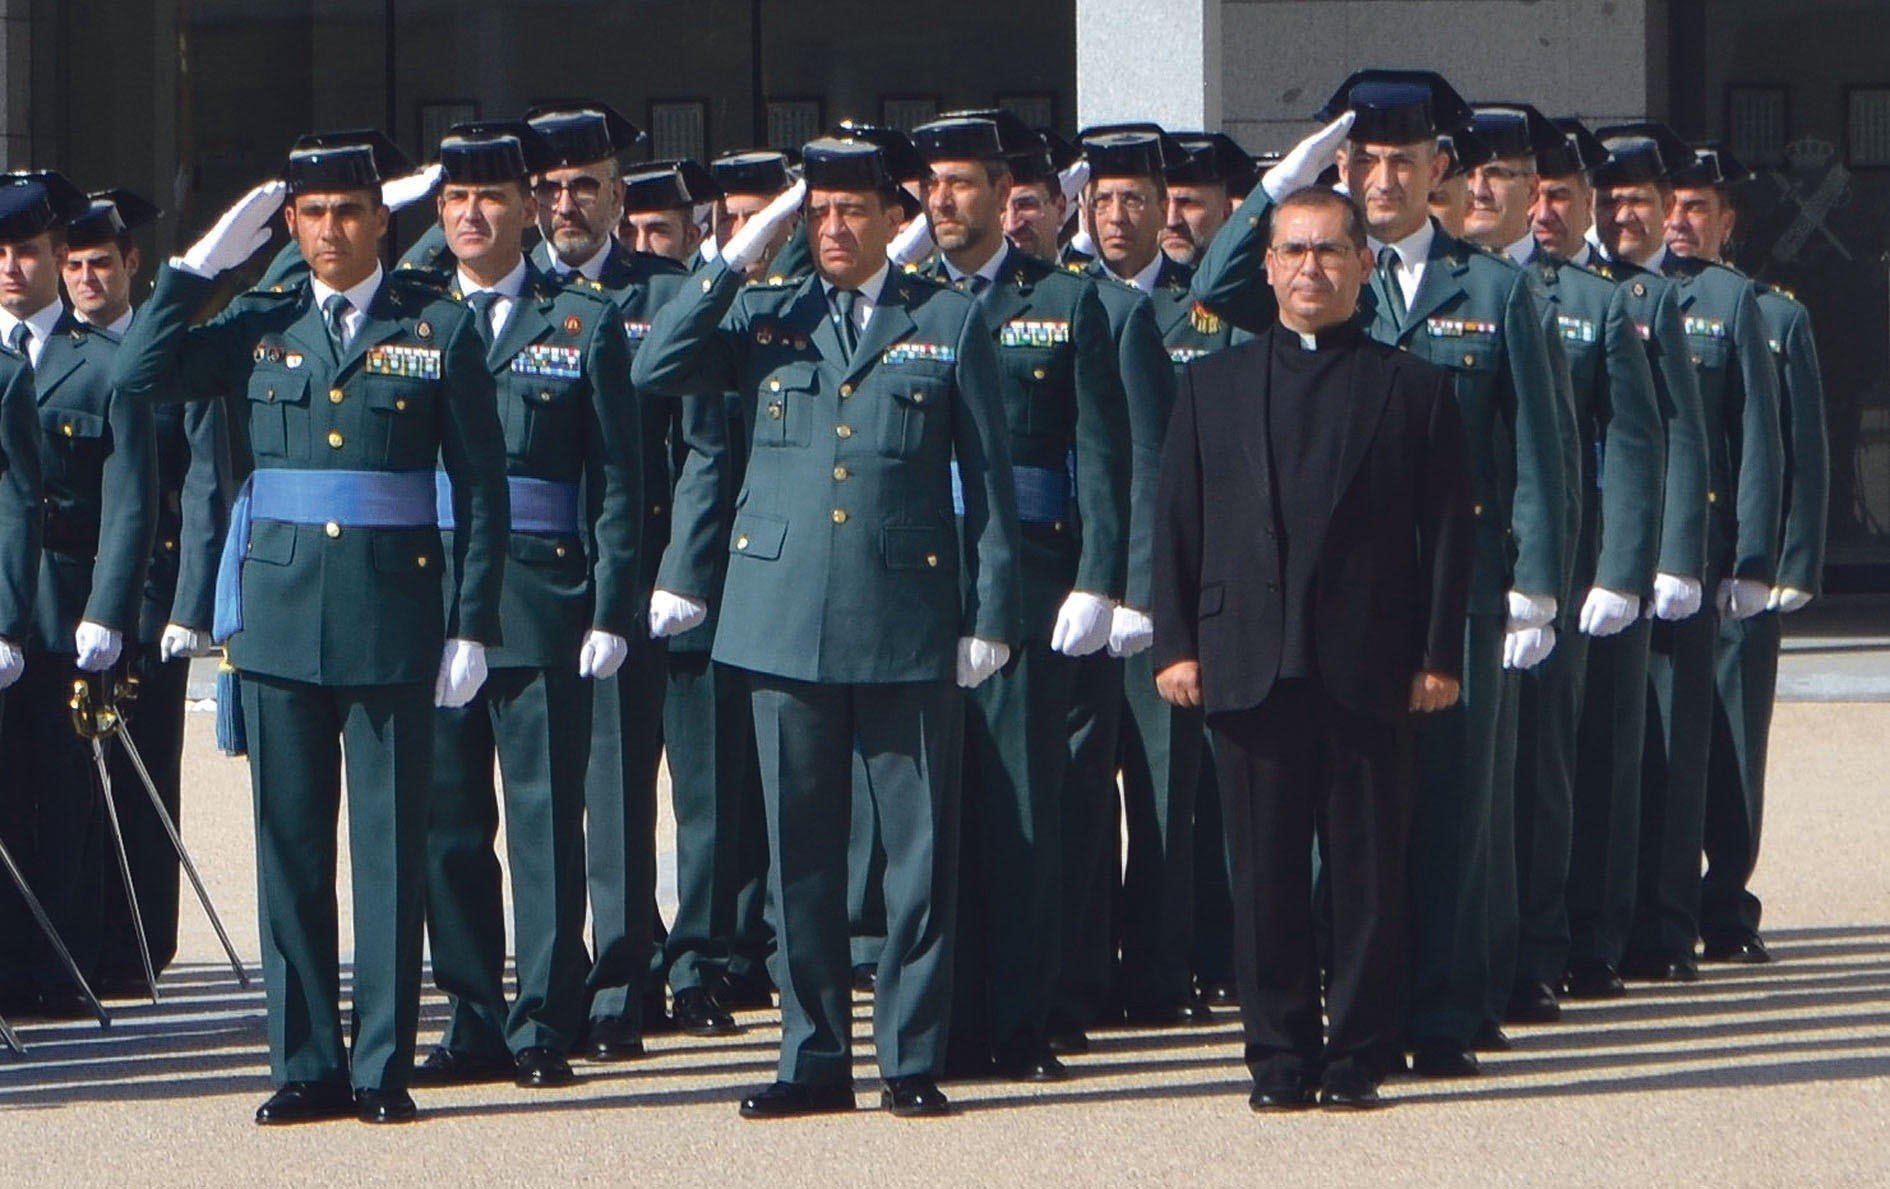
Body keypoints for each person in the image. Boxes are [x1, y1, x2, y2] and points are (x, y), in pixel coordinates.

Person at [111, 130, 509, 1125]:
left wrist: (471, 624)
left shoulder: (441, 326)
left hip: (394, 615)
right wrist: (198, 267)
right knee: (288, 848)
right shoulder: (260, 318)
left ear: (382, 219)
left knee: (387, 848)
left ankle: (381, 1063)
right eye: (313, 214)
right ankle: (306, 1062)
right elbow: (138, 376)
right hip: (284, 618)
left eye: (349, 211)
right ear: (291, 225)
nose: (331, 230)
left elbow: (483, 488)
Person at [634, 136, 1021, 1119]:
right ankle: (812, 1058)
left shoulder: (945, 320)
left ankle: (910, 1056)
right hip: (781, 619)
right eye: (818, 213)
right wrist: (734, 255)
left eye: (853, 212)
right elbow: (656, 363)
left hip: (907, 620)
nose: (835, 230)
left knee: (917, 851)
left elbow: (990, 482)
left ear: (897, 219)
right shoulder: (766, 316)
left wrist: (990, 613)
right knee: (799, 851)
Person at [1194, 70, 1572, 1077]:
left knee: (1450, 810)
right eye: (1364, 161)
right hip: (1326, 606)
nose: (1383, 177)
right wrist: (1286, 182)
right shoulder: (1312, 264)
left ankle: (1444, 1011)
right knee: (1332, 831)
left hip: (1457, 586)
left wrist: (1536, 578)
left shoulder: (1492, 286)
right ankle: (1338, 1008)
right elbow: (1215, 289)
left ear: (1439, 170)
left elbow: (1540, 443)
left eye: (1404, 162)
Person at [1152, 184, 1472, 1110]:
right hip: (1247, 661)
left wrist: (1439, 655)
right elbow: (1176, 520)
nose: (1310, 270)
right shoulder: (1210, 386)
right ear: (1266, 265)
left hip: (1370, 665)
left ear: (1365, 266)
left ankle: (1360, 1054)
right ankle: (1279, 1056)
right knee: (1263, 876)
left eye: (1331, 252)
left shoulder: (1413, 388)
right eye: (1293, 252)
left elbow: (1451, 536)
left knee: (1369, 875)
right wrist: (1176, 644)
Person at [397, 122, 641, 1092]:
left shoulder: (578, 320)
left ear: (528, 209)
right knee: (445, 822)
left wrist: (612, 607)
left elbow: (618, 479)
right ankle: (473, 1014)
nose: (469, 214)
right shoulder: (410, 316)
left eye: (490, 197)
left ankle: (546, 1015)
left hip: (541, 595)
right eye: (454, 199)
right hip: (431, 594)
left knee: (544, 820)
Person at [907, 113, 1130, 1083]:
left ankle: (1025, 1018)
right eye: (933, 185)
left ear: (1008, 197)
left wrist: (1102, 577)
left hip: (1036, 575)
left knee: (1025, 803)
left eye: (963, 183)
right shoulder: (901, 302)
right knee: (927, 813)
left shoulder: (1065, 301)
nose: (944, 201)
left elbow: (1106, 456)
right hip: (917, 576)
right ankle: (940, 1021)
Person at [1459, 105, 1667, 1026]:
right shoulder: (1435, 288)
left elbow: (1631, 441)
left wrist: (1618, 571)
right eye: (1494, 177)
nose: (1505, 197)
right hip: (1454, 565)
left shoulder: (1589, 303)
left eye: (1528, 183)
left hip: (1556, 565)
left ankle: (1538, 948)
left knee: (1543, 764)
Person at [1591, 123, 1782, 982]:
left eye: (1654, 201)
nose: (1641, 217)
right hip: (1600, 563)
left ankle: (1688, 912)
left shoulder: (1736, 304)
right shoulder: (1583, 294)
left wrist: (1760, 559)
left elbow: (1758, 444)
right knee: (1614, 751)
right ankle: (1616, 909)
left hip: (1688, 560)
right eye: (1617, 199)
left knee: (1696, 740)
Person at [524, 100, 693, 1058]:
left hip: (629, 569)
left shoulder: (660, 294)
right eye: (548, 189)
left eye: (585, 186)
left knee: (621, 787)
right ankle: (536, 981)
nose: (565, 204)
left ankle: (619, 986)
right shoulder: (506, 292)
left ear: (619, 196)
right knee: (534, 791)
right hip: (529, 574)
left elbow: (695, 442)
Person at [1534, 118, 1709, 1001]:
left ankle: (1601, 932)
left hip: (1607, 555)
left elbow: (1671, 434)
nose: (1545, 210)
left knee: (1607, 750)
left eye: (1563, 195)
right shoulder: (1501, 291)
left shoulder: (1633, 303)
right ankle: (1541, 921)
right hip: (1535, 554)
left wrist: (1662, 559)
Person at [62, 189, 230, 993]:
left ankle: (139, 944)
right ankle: (78, 940)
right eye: (74, 265)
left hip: (152, 593)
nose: (87, 278)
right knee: (65, 777)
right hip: (69, 588)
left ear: (133, 265)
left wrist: (192, 604)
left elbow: (204, 485)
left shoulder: (171, 354)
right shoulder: (52, 355)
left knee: (142, 772)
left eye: (101, 263)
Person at [1665, 144, 1828, 965]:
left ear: (1728, 222)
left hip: (1736, 563)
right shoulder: (1633, 299)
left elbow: (1797, 449)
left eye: (1697, 208)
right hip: (1665, 561)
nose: (1679, 221)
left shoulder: (1772, 316)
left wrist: (1785, 565)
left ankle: (1727, 899)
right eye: (1671, 205)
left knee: (1733, 733)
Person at [0, 170, 156, 1017]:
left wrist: (109, 609)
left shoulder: (105, 363)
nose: (12, 269)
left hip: (66, 597)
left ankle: (65, 963)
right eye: (0, 254)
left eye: (27, 251)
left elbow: (131, 496)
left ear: (60, 256)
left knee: (65, 791)